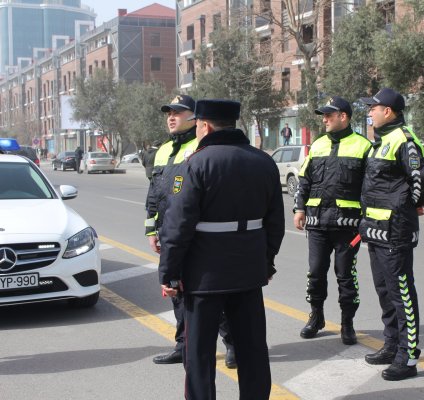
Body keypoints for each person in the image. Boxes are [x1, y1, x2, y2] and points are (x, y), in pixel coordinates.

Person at [158, 99, 285, 400]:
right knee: (252, 349)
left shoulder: (196, 163)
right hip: (249, 275)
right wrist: (265, 263)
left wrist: (169, 273)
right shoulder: (264, 161)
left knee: (199, 354)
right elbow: (275, 224)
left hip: (204, 278)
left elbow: (178, 227)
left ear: (206, 125)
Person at [144, 95, 236, 368]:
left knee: (206, 294)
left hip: (197, 236)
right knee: (175, 291)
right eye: (168, 112)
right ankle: (183, 345)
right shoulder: (162, 151)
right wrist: (152, 230)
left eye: (178, 112)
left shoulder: (202, 146)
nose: (171, 117)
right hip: (168, 233)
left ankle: (232, 344)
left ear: (195, 118)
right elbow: (154, 194)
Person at [358, 88, 424, 381]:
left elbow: (419, 184)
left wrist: (407, 210)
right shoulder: (380, 141)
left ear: (387, 111)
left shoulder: (405, 140)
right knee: (384, 291)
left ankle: (408, 355)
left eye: (373, 108)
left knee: (401, 294)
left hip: (395, 231)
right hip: (375, 230)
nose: (369, 113)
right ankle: (391, 344)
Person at [293, 96, 372, 344]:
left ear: (344, 117)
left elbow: (370, 189)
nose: (324, 119)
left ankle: (347, 324)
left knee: (345, 275)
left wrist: (366, 220)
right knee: (315, 273)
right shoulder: (317, 145)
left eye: (329, 115)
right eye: (323, 115)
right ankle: (316, 317)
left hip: (348, 227)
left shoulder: (363, 146)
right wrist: (299, 209)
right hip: (317, 224)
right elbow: (304, 181)